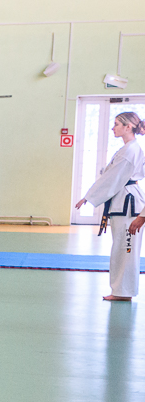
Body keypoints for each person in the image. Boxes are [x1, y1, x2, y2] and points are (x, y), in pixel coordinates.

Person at [76, 111, 144, 301]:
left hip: (129, 206)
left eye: (116, 124)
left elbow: (112, 178)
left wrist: (89, 196)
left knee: (126, 249)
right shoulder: (129, 149)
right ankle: (122, 290)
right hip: (124, 202)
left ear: (128, 127)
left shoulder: (130, 150)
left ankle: (124, 292)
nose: (113, 128)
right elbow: (111, 176)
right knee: (122, 249)